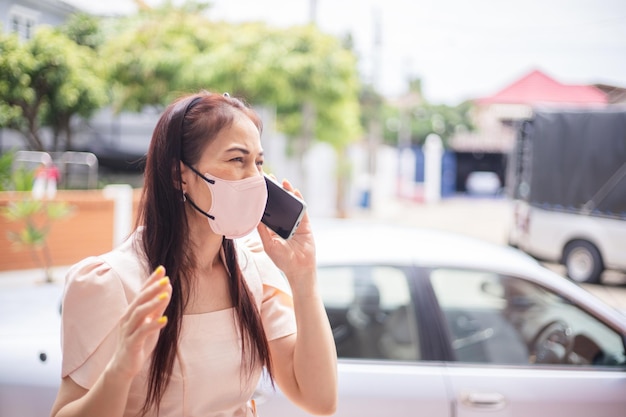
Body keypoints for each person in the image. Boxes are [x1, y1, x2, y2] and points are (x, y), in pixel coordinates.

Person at [49, 91, 338, 417]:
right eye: (236, 160)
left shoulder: (252, 271)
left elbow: (320, 400)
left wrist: (304, 277)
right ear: (178, 175)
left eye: (258, 162)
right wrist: (119, 370)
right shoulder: (112, 282)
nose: (256, 179)